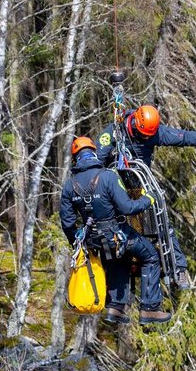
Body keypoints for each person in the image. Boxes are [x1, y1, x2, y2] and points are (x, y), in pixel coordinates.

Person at [96, 105, 196, 290]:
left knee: (162, 224)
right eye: (143, 135)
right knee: (116, 238)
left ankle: (179, 269)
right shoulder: (116, 131)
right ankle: (115, 293)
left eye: (149, 136)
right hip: (115, 189)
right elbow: (96, 158)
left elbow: (185, 137)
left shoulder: (155, 133)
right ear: (135, 125)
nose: (146, 138)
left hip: (139, 188)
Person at [59, 136, 171, 325]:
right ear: (94, 153)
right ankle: (150, 309)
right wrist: (148, 199)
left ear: (75, 158)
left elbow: (68, 223)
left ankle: (115, 308)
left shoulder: (70, 186)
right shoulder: (108, 176)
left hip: (94, 242)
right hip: (118, 235)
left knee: (118, 261)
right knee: (151, 255)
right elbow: (127, 208)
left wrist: (80, 245)